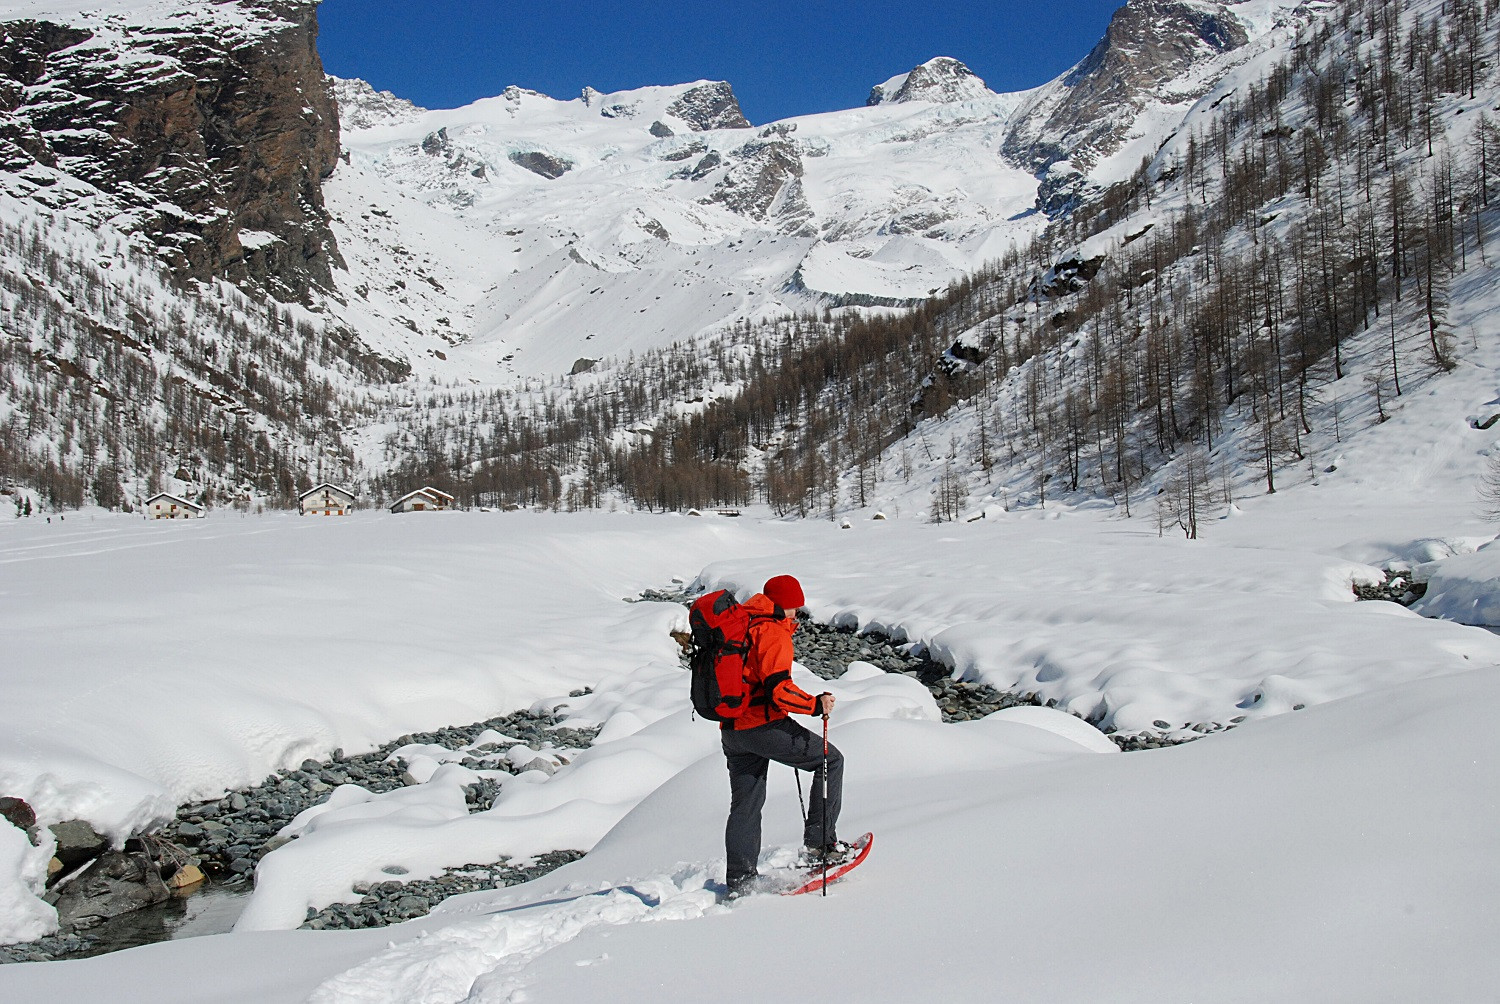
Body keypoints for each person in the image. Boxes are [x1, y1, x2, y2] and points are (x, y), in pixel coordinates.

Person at [720, 574, 849, 897]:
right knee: (829, 760)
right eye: (794, 607)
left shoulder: (744, 623)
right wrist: (815, 705)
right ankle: (821, 846)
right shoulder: (772, 632)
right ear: (783, 606)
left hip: (732, 730)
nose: (797, 614)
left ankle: (740, 879)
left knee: (745, 804)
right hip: (762, 727)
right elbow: (779, 691)